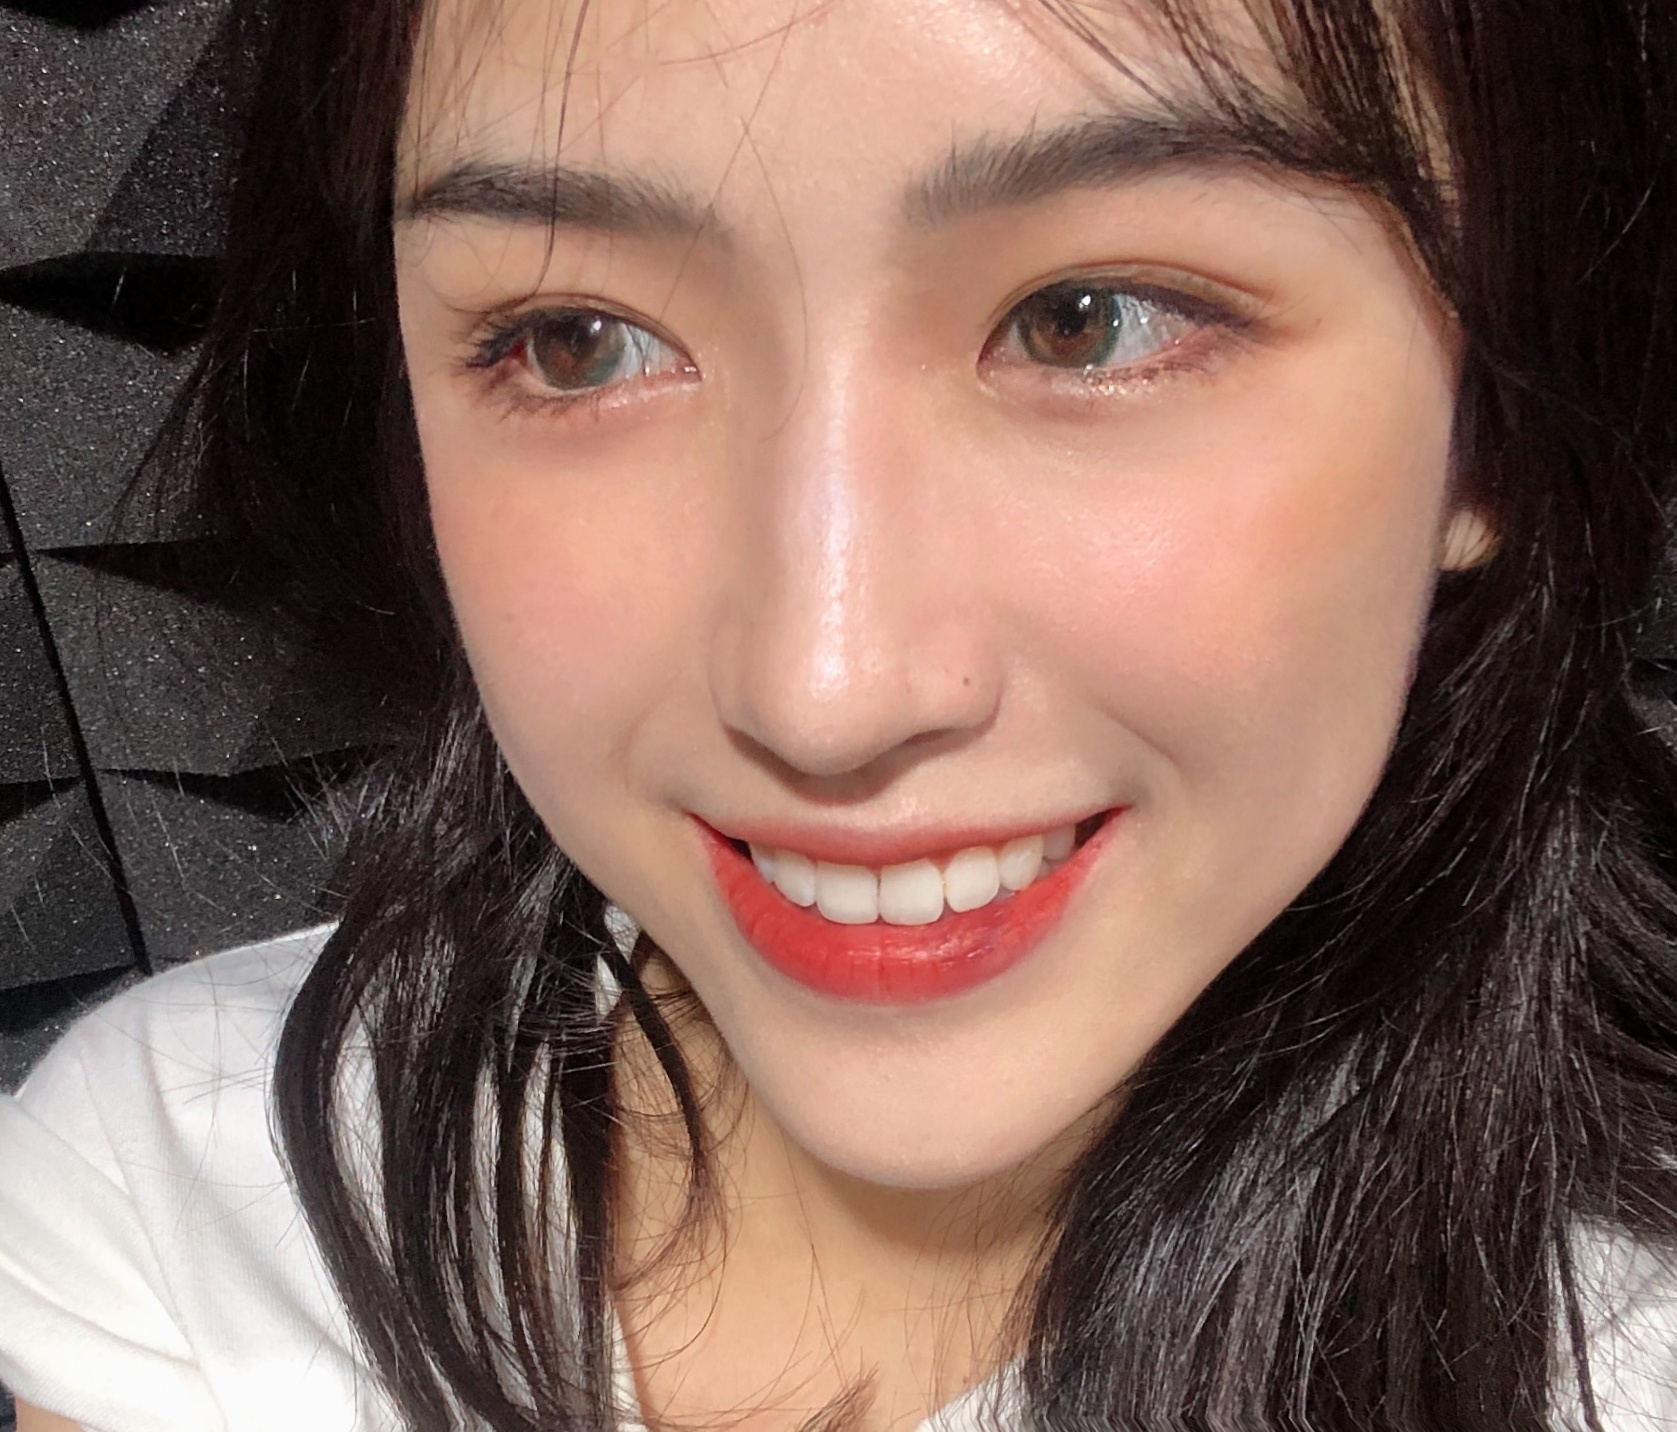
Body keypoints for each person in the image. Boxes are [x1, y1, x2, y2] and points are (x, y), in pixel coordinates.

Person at [4, 0, 1677, 1427]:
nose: (822, 691)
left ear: (1489, 423)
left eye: (1088, 323)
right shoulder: (185, 1185)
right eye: (576, 344)